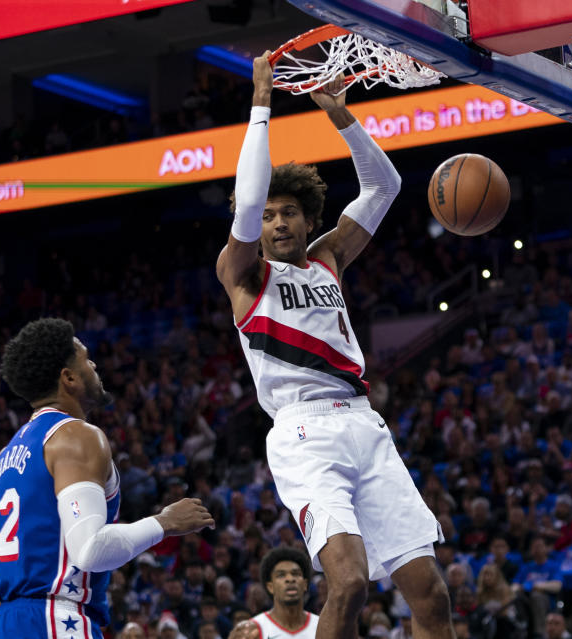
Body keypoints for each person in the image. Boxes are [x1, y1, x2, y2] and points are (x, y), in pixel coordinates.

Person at [216, 54, 452, 639]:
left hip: (364, 425)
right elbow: (244, 205)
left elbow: (385, 185)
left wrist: (338, 112)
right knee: (347, 583)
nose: (276, 223)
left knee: (431, 593)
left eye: (289, 213)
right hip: (302, 434)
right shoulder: (243, 274)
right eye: (268, 216)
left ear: (307, 218)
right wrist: (262, 101)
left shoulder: (327, 258)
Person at [0, 318, 214, 639]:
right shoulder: (76, 435)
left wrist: (24, 614)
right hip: (56, 620)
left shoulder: (7, 456)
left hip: (7, 624)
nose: (94, 364)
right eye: (85, 359)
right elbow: (91, 550)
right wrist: (165, 522)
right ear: (69, 378)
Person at [230, 547, 319, 639]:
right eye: (281, 575)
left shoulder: (322, 626)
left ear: (305, 584)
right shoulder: (251, 630)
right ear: (270, 587)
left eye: (295, 574)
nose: (290, 579)